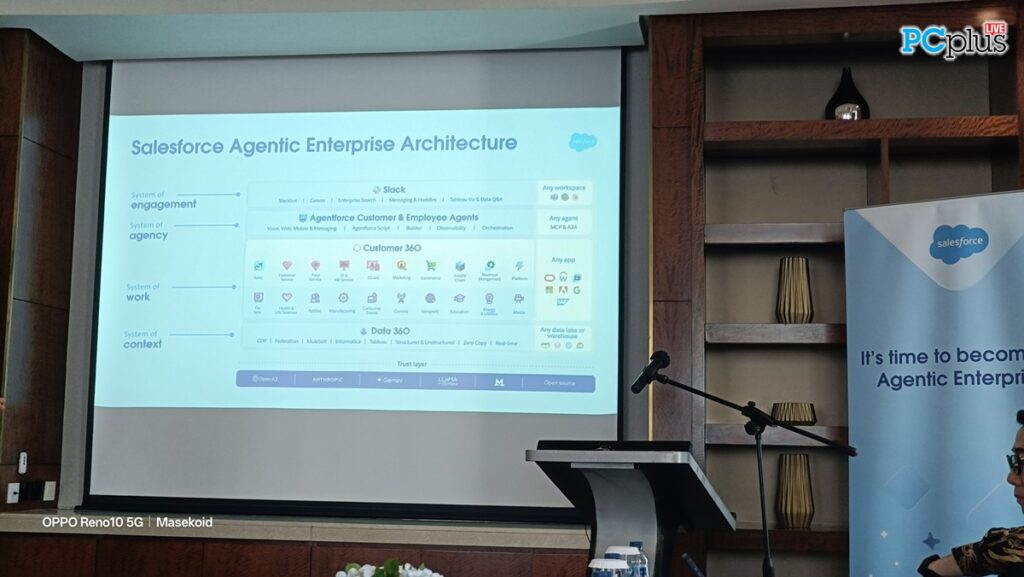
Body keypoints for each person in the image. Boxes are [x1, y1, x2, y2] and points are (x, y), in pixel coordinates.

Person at [918, 410, 1024, 577]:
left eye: (1022, 461)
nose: (1011, 478)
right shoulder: (1009, 549)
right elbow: (936, 569)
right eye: (1015, 461)